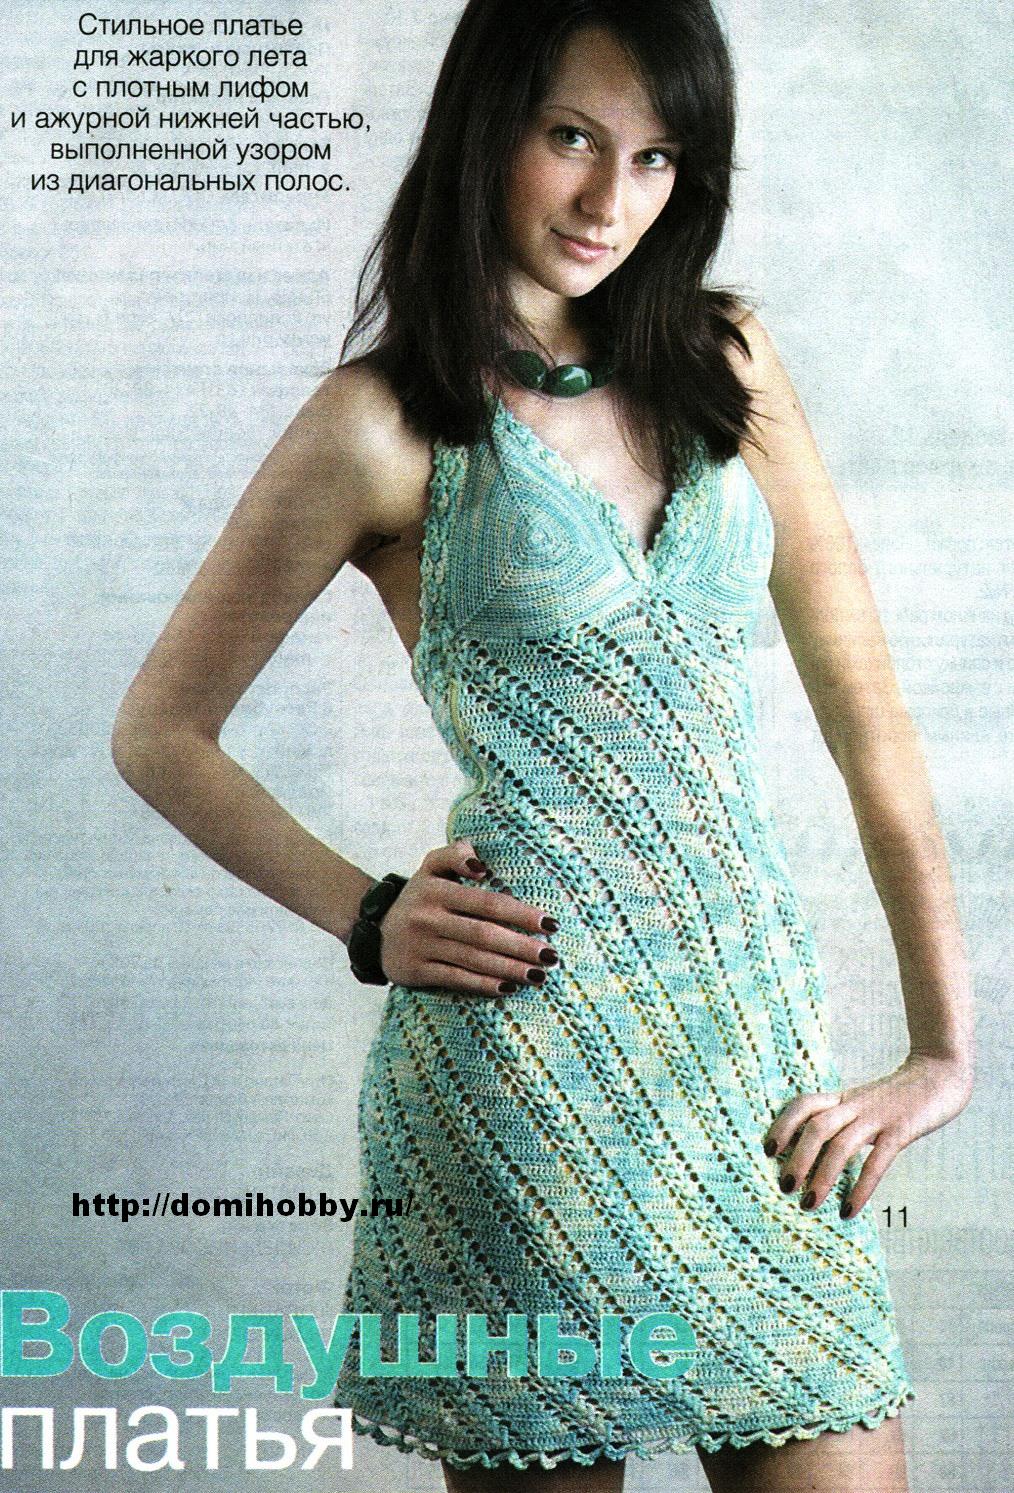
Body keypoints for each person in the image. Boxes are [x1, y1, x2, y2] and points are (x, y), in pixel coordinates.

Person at [111, 1, 974, 1489]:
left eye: (655, 158)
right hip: (522, 1092)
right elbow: (160, 731)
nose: (606, 200)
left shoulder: (726, 363)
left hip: (760, 1084)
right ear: (487, 125)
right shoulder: (383, 423)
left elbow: (873, 727)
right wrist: (370, 915)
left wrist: (943, 1049)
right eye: (571, 136)